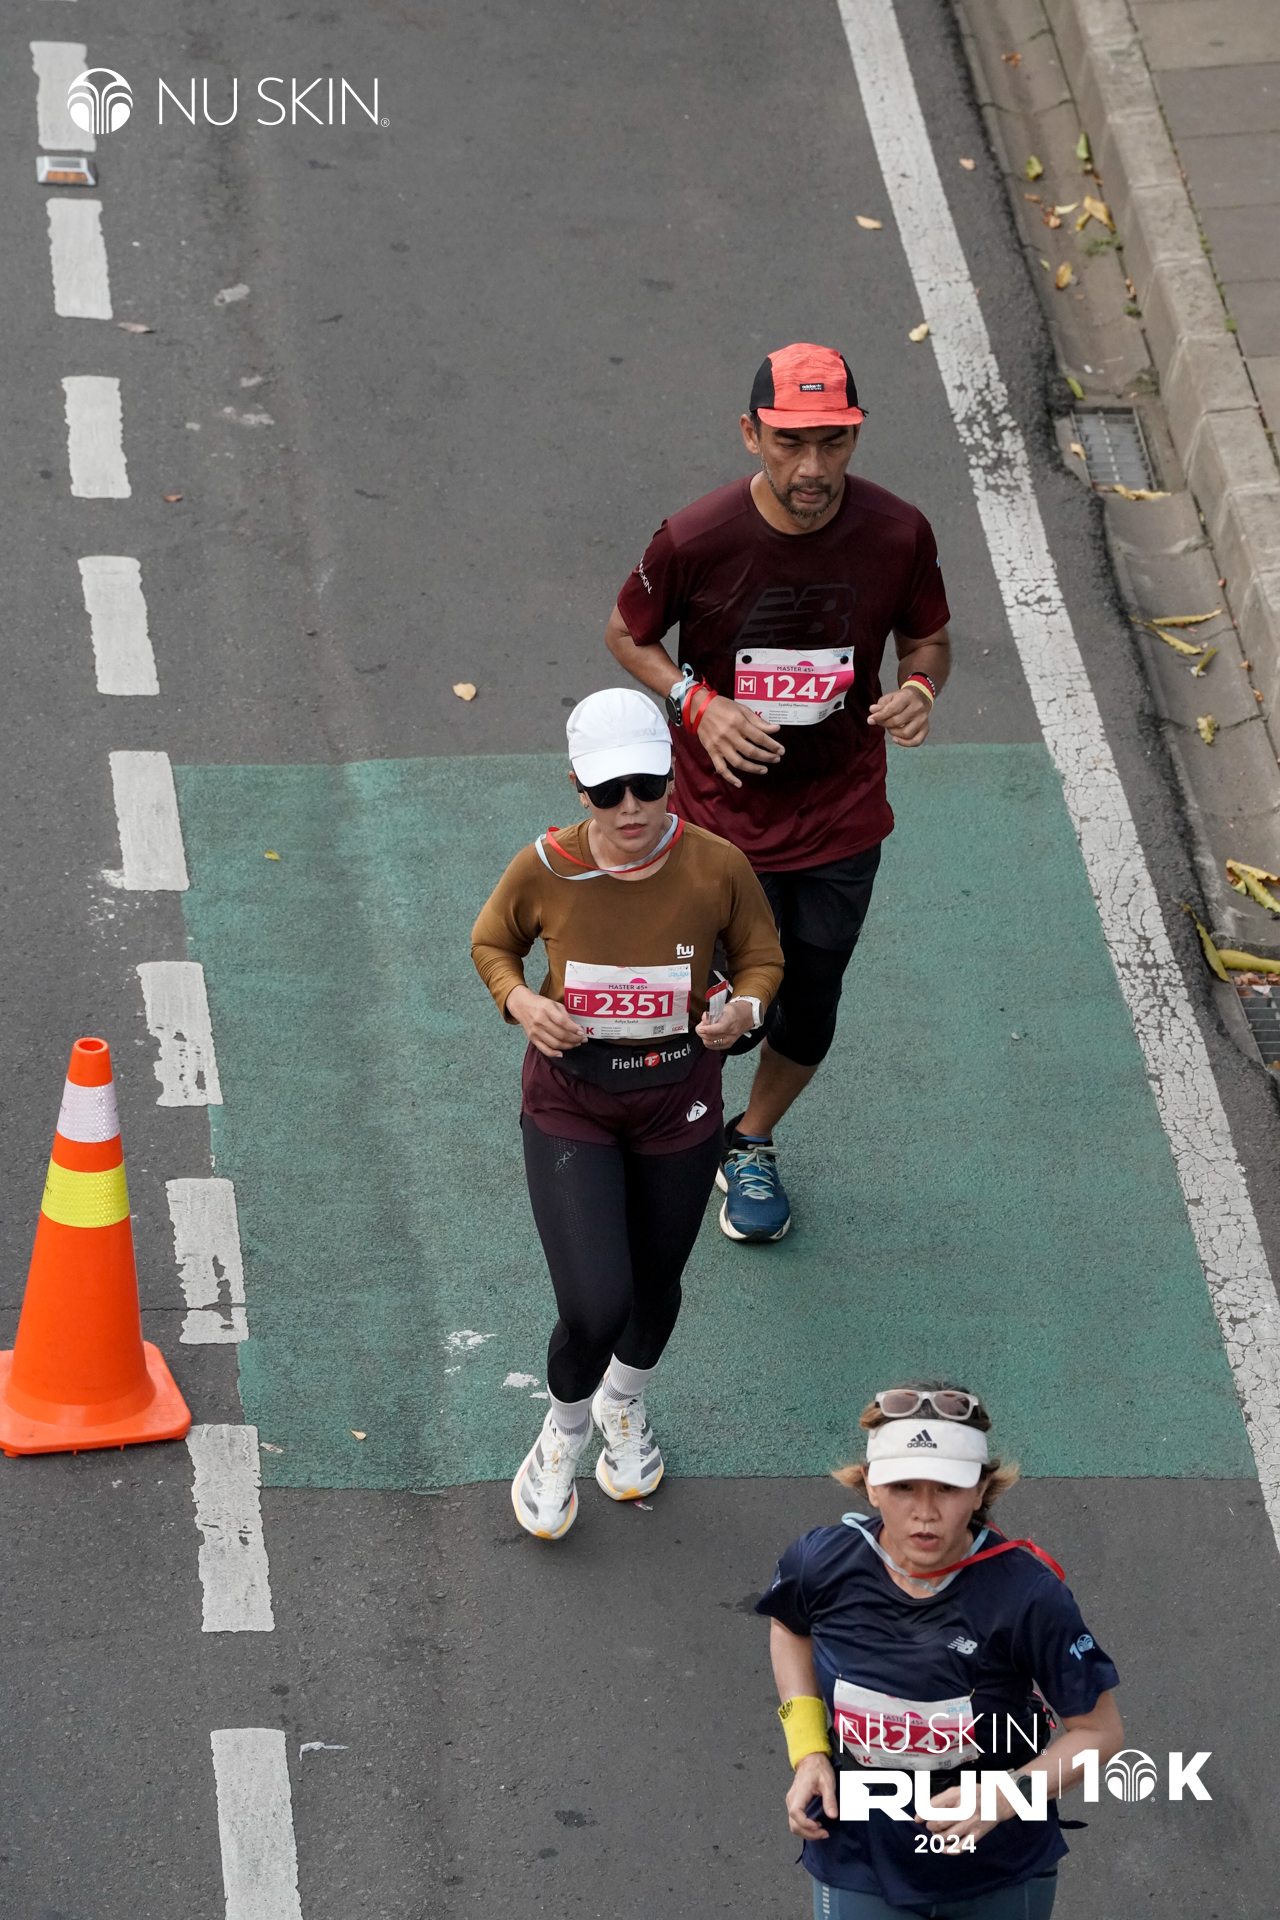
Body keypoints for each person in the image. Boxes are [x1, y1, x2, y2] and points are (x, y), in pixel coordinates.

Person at [605, 341, 951, 1244]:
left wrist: (919, 689)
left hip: (841, 819)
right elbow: (627, 633)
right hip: (720, 825)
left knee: (810, 1004)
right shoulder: (696, 538)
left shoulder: (899, 532)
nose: (812, 468)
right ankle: (665, 1137)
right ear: (751, 434)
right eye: (791, 441)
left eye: (833, 442)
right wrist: (696, 702)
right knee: (710, 1008)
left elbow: (927, 640)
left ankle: (749, 1140)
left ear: (855, 436)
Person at [471, 688, 783, 1541]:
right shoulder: (544, 867)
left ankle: (624, 1402)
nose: (629, 807)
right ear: (578, 787)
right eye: (608, 791)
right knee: (595, 1302)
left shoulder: (717, 864)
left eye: (645, 785)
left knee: (655, 1283)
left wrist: (743, 1011)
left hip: (680, 1100)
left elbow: (761, 956)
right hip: (571, 1101)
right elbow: (493, 943)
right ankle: (563, 1434)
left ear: (671, 778)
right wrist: (521, 1003)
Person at [756, 1383, 1123, 1918]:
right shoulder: (820, 1564)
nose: (925, 1512)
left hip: (999, 1867)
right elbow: (789, 1626)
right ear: (870, 1485)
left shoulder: (1027, 1595)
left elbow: (1100, 1733)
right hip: (861, 1858)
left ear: (979, 1490)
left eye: (947, 1488)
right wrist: (808, 1750)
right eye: (903, 1486)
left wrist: (1005, 1797)